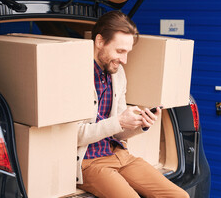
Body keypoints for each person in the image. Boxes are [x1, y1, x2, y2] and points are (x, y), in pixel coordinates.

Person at [76, 10, 189, 198]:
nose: (124, 60)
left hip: (120, 155)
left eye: (127, 52)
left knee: (180, 196)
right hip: (89, 161)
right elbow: (74, 136)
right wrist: (119, 121)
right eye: (120, 51)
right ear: (99, 42)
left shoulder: (117, 74)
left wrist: (140, 125)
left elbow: (119, 132)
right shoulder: (77, 74)